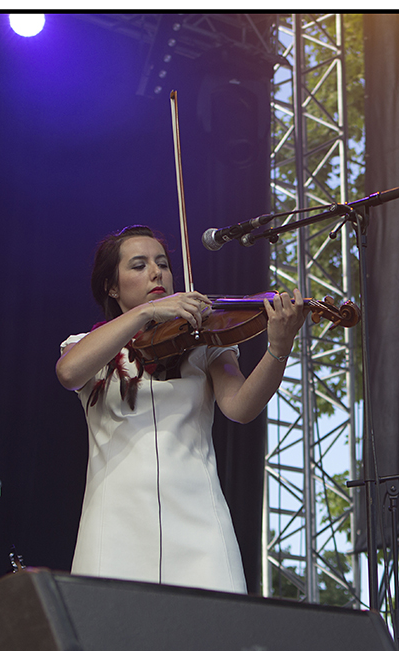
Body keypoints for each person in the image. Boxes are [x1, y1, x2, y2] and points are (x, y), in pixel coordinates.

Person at [56, 225, 305, 594]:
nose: (156, 273)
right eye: (139, 265)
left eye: (162, 264)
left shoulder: (202, 343)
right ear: (112, 287)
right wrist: (147, 312)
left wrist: (278, 350)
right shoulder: (87, 346)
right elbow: (68, 373)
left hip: (199, 521)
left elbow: (240, 407)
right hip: (115, 522)